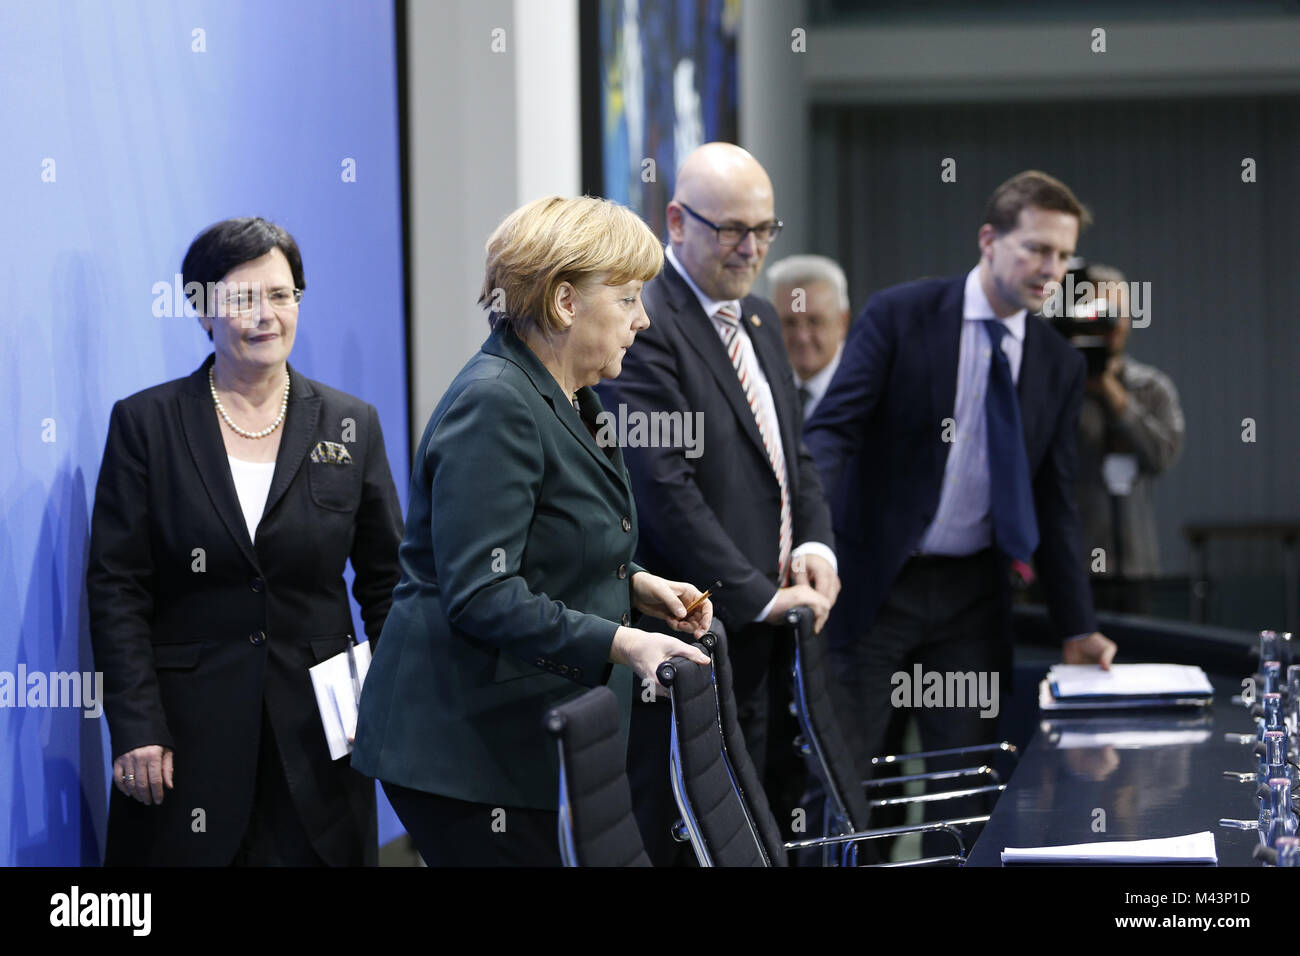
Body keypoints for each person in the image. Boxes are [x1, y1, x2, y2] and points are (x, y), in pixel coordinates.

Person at [351, 196, 712, 867]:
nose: (644, 318)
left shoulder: (575, 396)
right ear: (566, 302)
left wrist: (635, 585)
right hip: (459, 747)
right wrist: (624, 642)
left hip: (516, 730)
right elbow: (483, 594)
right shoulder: (497, 401)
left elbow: (548, 544)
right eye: (630, 297)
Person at [804, 170, 1118, 849]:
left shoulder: (1058, 365)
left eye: (1062, 256)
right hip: (874, 583)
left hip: (973, 598)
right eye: (1036, 248)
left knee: (964, 791)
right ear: (988, 240)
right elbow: (832, 431)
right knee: (846, 788)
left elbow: (1056, 503)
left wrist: (1078, 625)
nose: (1050, 269)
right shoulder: (902, 315)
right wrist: (809, 535)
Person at [87, 217, 404, 865]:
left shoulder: (351, 425)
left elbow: (386, 583)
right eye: (241, 299)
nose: (266, 316)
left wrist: (391, 705)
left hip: (322, 735)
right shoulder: (147, 424)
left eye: (282, 296)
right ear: (203, 310)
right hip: (186, 735)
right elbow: (118, 586)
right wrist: (137, 723)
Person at [595, 143, 839, 864]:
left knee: (765, 810)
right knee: (698, 829)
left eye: (765, 229)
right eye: (732, 228)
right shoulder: (646, 321)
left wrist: (815, 548)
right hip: (696, 626)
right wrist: (758, 596)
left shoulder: (760, 320)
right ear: (676, 219)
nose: (752, 247)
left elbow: (794, 458)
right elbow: (663, 487)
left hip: (770, 627)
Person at [1071, 263, 1184, 614]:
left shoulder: (1151, 387)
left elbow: (1160, 457)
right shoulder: (1058, 386)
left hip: (1134, 560)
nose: (1111, 324)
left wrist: (1115, 395)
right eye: (1101, 313)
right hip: (1071, 561)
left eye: (1119, 312)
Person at [768, 254, 852, 421]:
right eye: (789, 322)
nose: (802, 337)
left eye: (814, 321)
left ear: (842, 322)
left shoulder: (871, 388)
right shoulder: (755, 384)